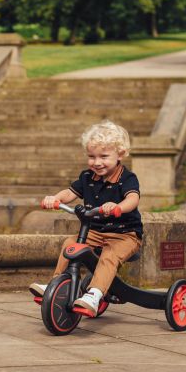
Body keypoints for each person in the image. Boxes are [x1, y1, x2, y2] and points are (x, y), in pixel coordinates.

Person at [29, 120, 143, 317]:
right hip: (96, 232)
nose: (96, 162)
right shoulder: (87, 177)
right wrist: (55, 198)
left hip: (125, 235)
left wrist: (118, 207)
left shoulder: (127, 178)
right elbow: (70, 193)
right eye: (91, 156)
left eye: (104, 156)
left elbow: (133, 199)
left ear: (120, 154)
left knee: (109, 256)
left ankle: (95, 294)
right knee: (70, 244)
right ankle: (56, 283)